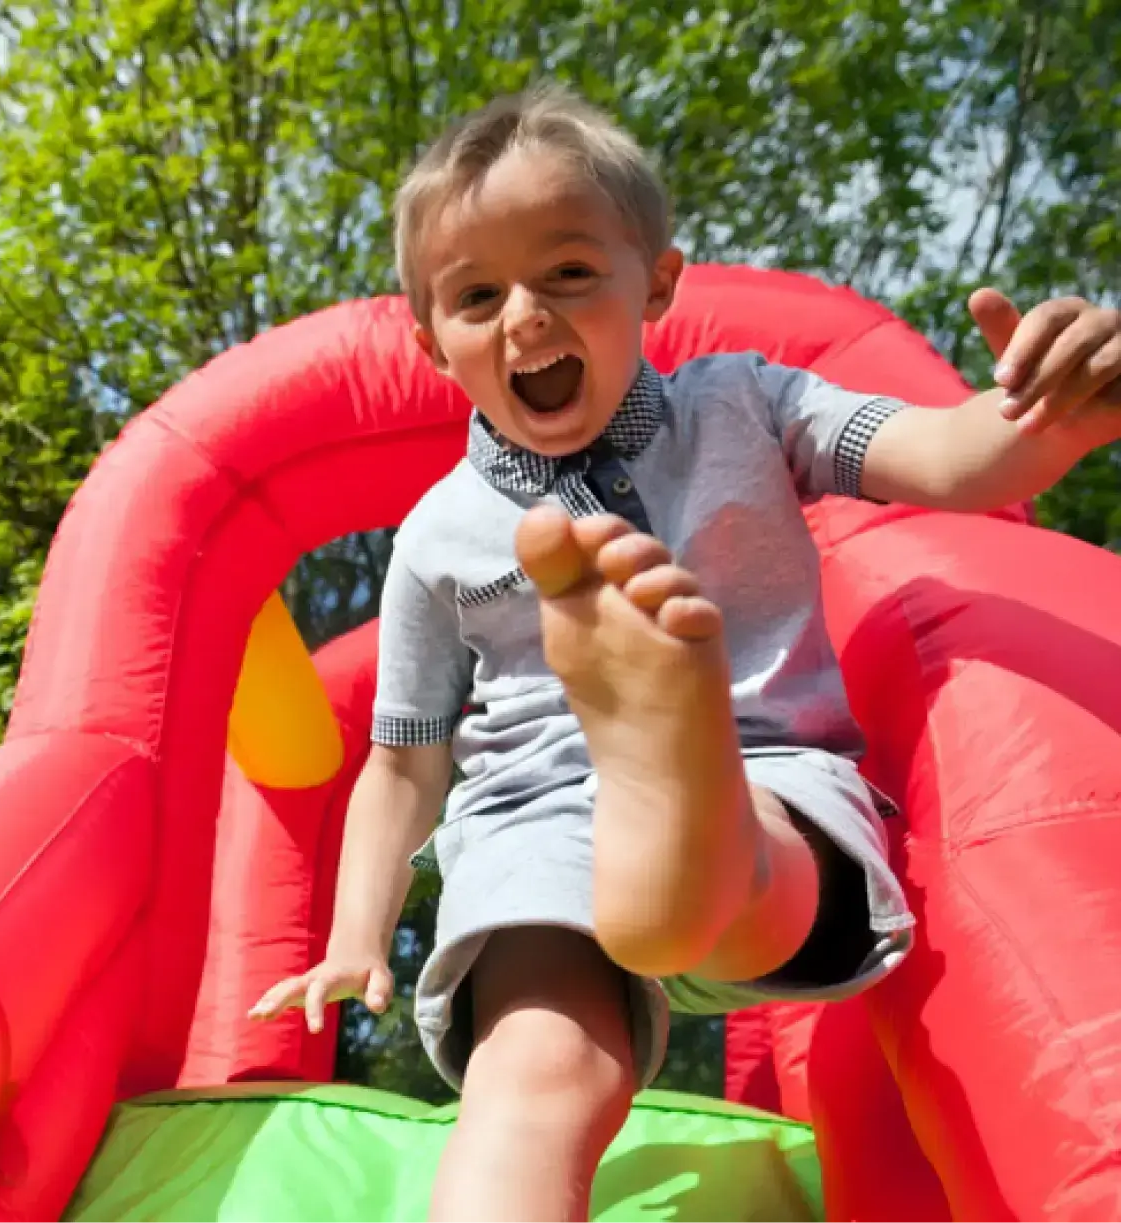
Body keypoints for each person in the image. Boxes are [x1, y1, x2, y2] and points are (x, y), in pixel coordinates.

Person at [250, 83, 1121, 1222]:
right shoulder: (437, 537)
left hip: (762, 772)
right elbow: (403, 759)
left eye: (568, 272)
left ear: (655, 284)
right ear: (432, 342)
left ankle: (678, 789)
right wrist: (353, 932)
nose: (525, 316)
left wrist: (1038, 417)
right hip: (536, 817)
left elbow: (947, 457)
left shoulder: (748, 403)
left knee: (677, 939)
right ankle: (672, 807)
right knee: (540, 1070)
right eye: (477, 295)